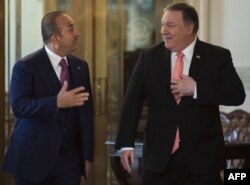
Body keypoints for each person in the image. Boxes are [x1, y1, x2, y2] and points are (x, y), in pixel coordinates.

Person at [115, 2, 246, 185]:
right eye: (162, 24)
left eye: (170, 25)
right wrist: (126, 144)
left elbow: (236, 94)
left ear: (189, 28)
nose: (163, 31)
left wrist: (197, 89)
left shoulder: (216, 56)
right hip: (158, 161)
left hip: (202, 163)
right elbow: (132, 103)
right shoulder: (149, 57)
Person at [2, 11, 94, 185]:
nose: (77, 33)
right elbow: (19, 106)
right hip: (33, 159)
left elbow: (86, 115)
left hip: (69, 162)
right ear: (55, 38)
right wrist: (56, 103)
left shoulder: (81, 66)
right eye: (70, 29)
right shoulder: (25, 66)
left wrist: (87, 157)